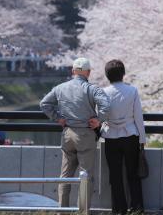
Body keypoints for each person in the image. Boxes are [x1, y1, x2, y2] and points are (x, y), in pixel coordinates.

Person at [40, 57, 110, 208]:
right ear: (89, 73)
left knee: (65, 175)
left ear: (73, 71)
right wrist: (98, 120)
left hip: (67, 134)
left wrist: (58, 118)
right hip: (85, 134)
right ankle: (82, 210)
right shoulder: (92, 89)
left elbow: (44, 103)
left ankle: (62, 209)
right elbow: (106, 105)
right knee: (86, 176)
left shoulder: (60, 88)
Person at [101, 59, 146, 215]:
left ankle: (119, 209)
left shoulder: (103, 92)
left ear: (107, 75)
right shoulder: (132, 91)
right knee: (133, 174)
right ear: (123, 74)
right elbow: (138, 117)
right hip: (130, 135)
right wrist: (142, 139)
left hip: (111, 136)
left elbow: (101, 116)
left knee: (115, 176)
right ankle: (137, 208)